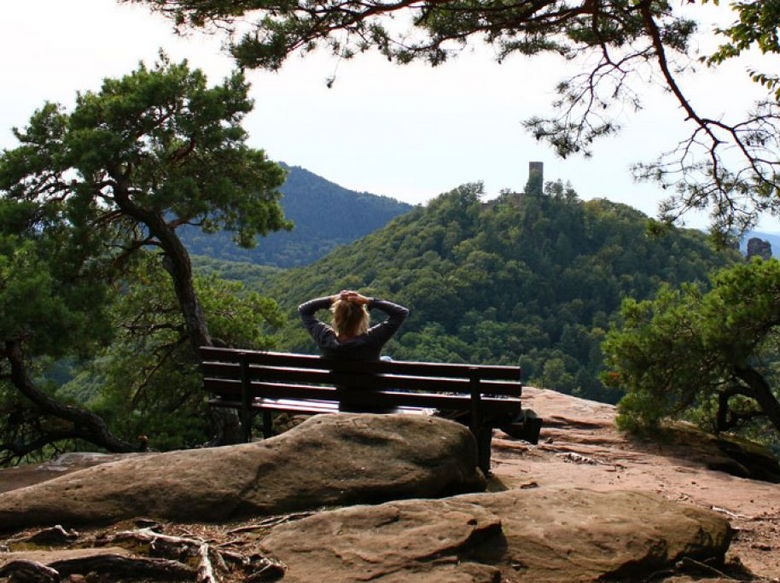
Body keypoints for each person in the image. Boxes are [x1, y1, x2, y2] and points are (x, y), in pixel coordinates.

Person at [298, 290, 409, 411]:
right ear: (362, 317)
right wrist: (369, 301)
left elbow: (304, 310)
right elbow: (401, 312)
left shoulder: (325, 338)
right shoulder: (371, 339)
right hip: (378, 404)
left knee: (386, 359)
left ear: (336, 317)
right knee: (388, 363)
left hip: (347, 404)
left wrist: (333, 298)